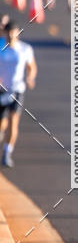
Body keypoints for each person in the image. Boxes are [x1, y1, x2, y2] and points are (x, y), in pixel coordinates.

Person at [0, 21, 36, 167]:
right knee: (2, 124)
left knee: (14, 122)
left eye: (13, 32)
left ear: (17, 33)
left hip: (17, 90)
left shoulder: (25, 49)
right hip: (2, 89)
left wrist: (30, 77)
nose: (10, 35)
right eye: (8, 32)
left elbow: (31, 66)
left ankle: (7, 152)